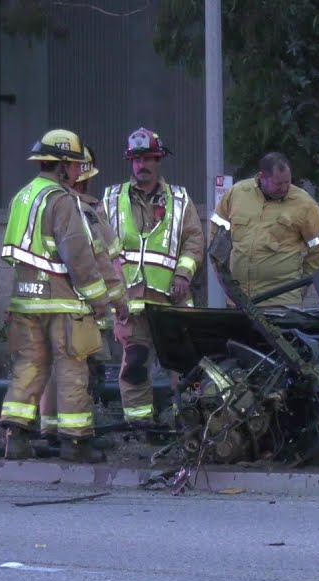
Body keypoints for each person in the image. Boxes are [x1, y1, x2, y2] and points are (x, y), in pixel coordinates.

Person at [0, 129, 118, 463]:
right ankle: (74, 443)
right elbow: (78, 255)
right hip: (62, 302)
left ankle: (16, 438)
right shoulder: (62, 200)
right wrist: (99, 300)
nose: (80, 171)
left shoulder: (22, 196)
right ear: (62, 165)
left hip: (25, 299)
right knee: (71, 368)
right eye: (77, 165)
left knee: (29, 366)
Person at [101, 128, 204, 422]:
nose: (140, 165)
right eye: (135, 159)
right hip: (130, 303)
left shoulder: (179, 199)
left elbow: (194, 239)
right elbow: (99, 246)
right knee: (134, 365)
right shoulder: (111, 198)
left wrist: (183, 274)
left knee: (183, 366)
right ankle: (140, 426)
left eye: (147, 158)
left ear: (159, 160)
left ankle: (186, 422)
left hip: (171, 300)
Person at [39, 147, 126, 446]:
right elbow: (102, 261)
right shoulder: (81, 211)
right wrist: (113, 301)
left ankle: (50, 429)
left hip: (50, 304)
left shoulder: (44, 205)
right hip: (81, 307)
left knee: (56, 368)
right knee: (79, 371)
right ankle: (76, 437)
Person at [209, 151, 319, 307]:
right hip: (239, 301)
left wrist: (303, 282)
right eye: (279, 183)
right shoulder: (237, 194)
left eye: (288, 182)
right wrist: (221, 272)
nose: (285, 187)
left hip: (281, 302)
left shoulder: (304, 204)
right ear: (262, 177)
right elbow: (217, 232)